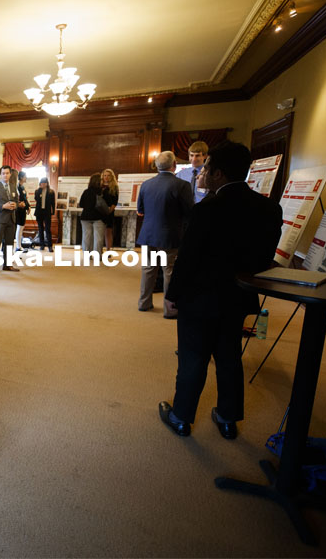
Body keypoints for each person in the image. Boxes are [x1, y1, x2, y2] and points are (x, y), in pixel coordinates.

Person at [159, 141, 282, 438]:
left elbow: (188, 259)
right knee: (229, 357)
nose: (203, 172)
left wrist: (172, 295)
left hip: (199, 298)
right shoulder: (269, 208)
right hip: (238, 296)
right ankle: (227, 418)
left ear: (219, 174)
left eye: (207, 167)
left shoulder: (207, 210)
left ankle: (180, 417)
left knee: (193, 357)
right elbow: (264, 259)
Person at [136, 151, 194, 317]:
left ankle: (144, 303)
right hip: (170, 236)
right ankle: (170, 310)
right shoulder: (182, 185)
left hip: (148, 234)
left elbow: (141, 210)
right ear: (174, 164)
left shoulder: (146, 184)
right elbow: (189, 212)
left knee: (148, 269)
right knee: (169, 271)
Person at [0, 165, 19, 274]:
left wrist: (16, 205)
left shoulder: (13, 186)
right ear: (0, 175)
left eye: (7, 173)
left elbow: (17, 201)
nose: (5, 175)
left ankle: (7, 265)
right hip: (0, 219)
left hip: (11, 219)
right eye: (3, 173)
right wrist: (2, 206)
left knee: (9, 243)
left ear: (10, 174)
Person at [78, 173, 106, 253]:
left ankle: (87, 254)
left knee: (86, 237)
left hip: (85, 217)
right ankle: (97, 255)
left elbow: (81, 204)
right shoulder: (102, 192)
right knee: (98, 238)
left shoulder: (86, 191)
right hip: (98, 217)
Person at [33, 177, 55, 251]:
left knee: (48, 228)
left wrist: (53, 211)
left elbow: (53, 203)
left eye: (45, 183)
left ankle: (50, 246)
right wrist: (39, 189)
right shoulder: (37, 191)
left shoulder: (51, 192)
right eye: (42, 183)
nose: (43, 184)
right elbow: (36, 199)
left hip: (47, 212)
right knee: (40, 229)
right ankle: (42, 245)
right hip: (39, 212)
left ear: (47, 183)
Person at [100, 168, 119, 250]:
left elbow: (115, 201)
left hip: (109, 212)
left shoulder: (114, 187)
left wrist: (109, 211)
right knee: (99, 232)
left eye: (108, 175)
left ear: (111, 177)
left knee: (108, 232)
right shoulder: (99, 186)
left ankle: (108, 250)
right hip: (99, 212)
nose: (106, 177)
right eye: (104, 175)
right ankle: (98, 250)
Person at [14, 170, 30, 252]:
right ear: (21, 177)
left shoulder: (23, 187)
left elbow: (25, 199)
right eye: (25, 176)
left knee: (21, 228)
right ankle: (18, 246)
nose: (26, 178)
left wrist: (28, 207)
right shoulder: (17, 187)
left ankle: (19, 245)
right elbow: (18, 200)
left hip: (23, 210)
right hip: (19, 210)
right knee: (19, 228)